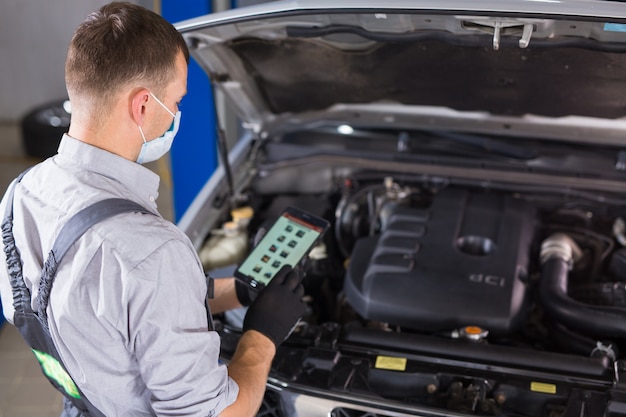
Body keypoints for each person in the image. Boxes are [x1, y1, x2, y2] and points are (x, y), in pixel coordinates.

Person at [0, 2, 306, 416]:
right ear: (143, 105)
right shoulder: (150, 252)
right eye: (176, 101)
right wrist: (261, 335)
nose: (177, 113)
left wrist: (237, 291)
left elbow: (103, 312)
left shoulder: (20, 196)